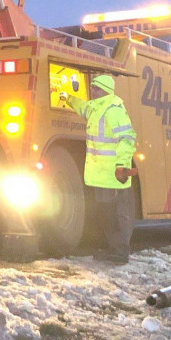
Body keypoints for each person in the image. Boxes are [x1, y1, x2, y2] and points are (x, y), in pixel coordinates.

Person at [61, 74, 137, 264]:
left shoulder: (113, 110)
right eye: (93, 87)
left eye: (96, 88)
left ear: (105, 90)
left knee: (116, 215)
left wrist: (122, 165)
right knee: (107, 214)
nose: (92, 90)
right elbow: (82, 107)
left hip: (113, 175)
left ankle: (120, 253)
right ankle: (112, 250)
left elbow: (127, 139)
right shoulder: (96, 108)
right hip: (102, 176)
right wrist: (68, 98)